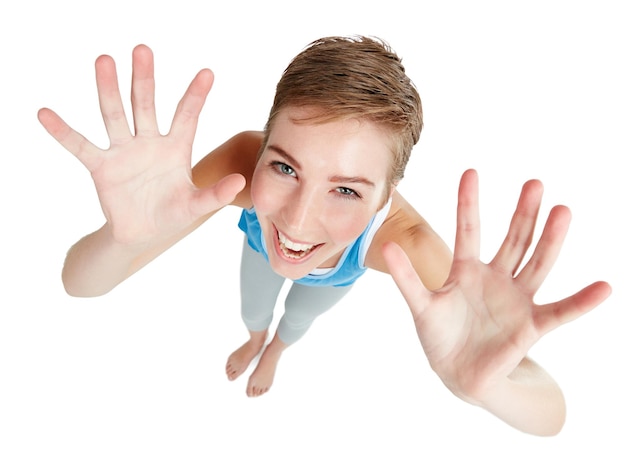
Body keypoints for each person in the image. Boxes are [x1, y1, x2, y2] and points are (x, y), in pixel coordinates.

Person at [38, 36, 611, 436]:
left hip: (333, 276)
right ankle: (257, 339)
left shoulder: (401, 239)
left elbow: (552, 413)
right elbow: (80, 284)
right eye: (284, 168)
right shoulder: (240, 163)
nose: (298, 220)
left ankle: (278, 349)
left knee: (300, 318)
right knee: (254, 306)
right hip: (257, 253)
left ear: (385, 196)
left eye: (346, 191)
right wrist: (124, 239)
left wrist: (487, 388)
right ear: (263, 147)